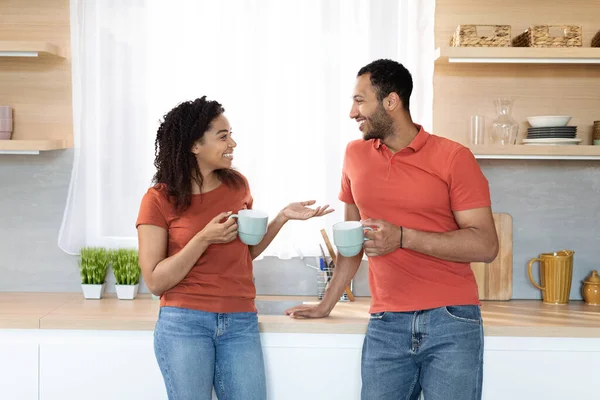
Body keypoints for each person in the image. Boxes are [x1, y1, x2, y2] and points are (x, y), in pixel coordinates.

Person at [285, 59, 499, 400]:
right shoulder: (355, 155)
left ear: (391, 101)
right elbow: (351, 239)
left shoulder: (453, 157)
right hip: (386, 321)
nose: (352, 112)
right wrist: (327, 303)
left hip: (452, 319)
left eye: (359, 100)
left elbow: (486, 245)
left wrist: (402, 237)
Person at [136, 96, 333, 400]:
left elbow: (246, 253)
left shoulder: (237, 186)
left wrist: (282, 218)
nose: (233, 143)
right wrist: (203, 238)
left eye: (231, 134)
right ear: (194, 145)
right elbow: (155, 281)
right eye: (223, 136)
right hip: (184, 323)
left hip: (239, 320)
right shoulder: (159, 199)